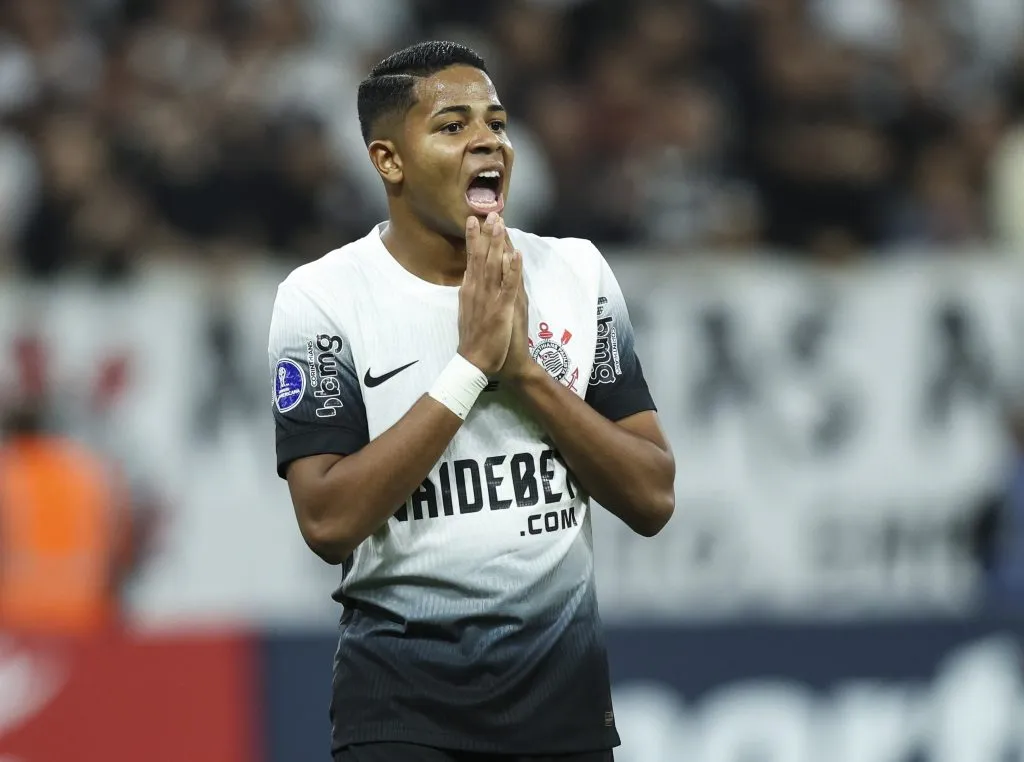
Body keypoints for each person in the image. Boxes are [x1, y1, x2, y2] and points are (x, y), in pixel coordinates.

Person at [267, 41, 676, 762]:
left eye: (496, 121)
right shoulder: (323, 298)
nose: (487, 139)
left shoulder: (577, 272)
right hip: (401, 714)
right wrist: (469, 368)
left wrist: (523, 374)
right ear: (388, 161)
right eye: (452, 125)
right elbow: (327, 519)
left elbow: (652, 496)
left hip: (566, 713)